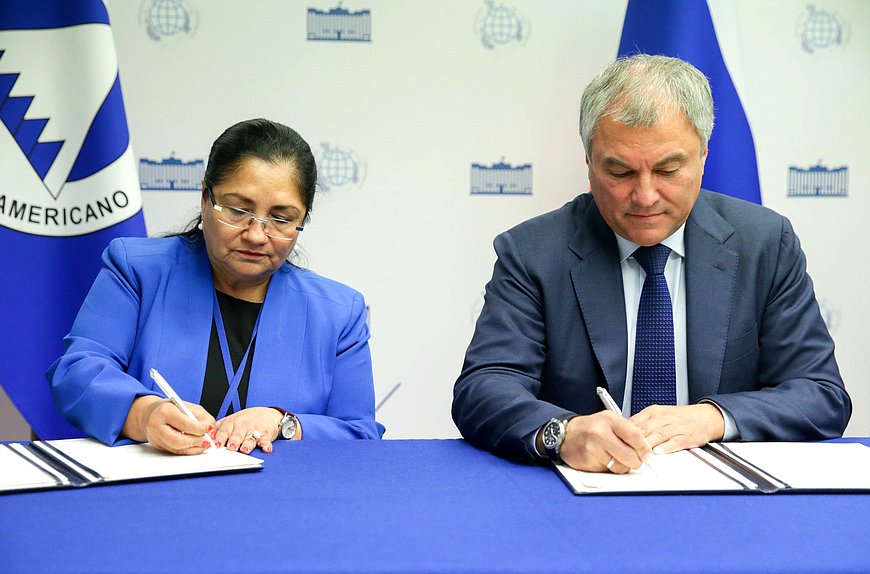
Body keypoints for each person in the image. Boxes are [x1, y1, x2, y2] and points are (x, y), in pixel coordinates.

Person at [452, 54, 850, 473]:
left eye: (667, 169)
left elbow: (821, 394)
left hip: (724, 499)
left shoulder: (764, 243)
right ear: (589, 163)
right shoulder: (533, 251)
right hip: (582, 496)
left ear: (702, 158)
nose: (644, 196)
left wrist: (713, 417)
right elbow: (484, 387)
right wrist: (563, 433)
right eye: (620, 172)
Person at [48, 118, 384, 455]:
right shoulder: (138, 270)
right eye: (238, 210)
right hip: (153, 493)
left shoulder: (339, 312)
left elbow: (360, 433)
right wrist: (145, 414)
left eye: (281, 219)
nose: (255, 235)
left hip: (281, 500)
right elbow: (77, 372)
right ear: (206, 197)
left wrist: (284, 423)